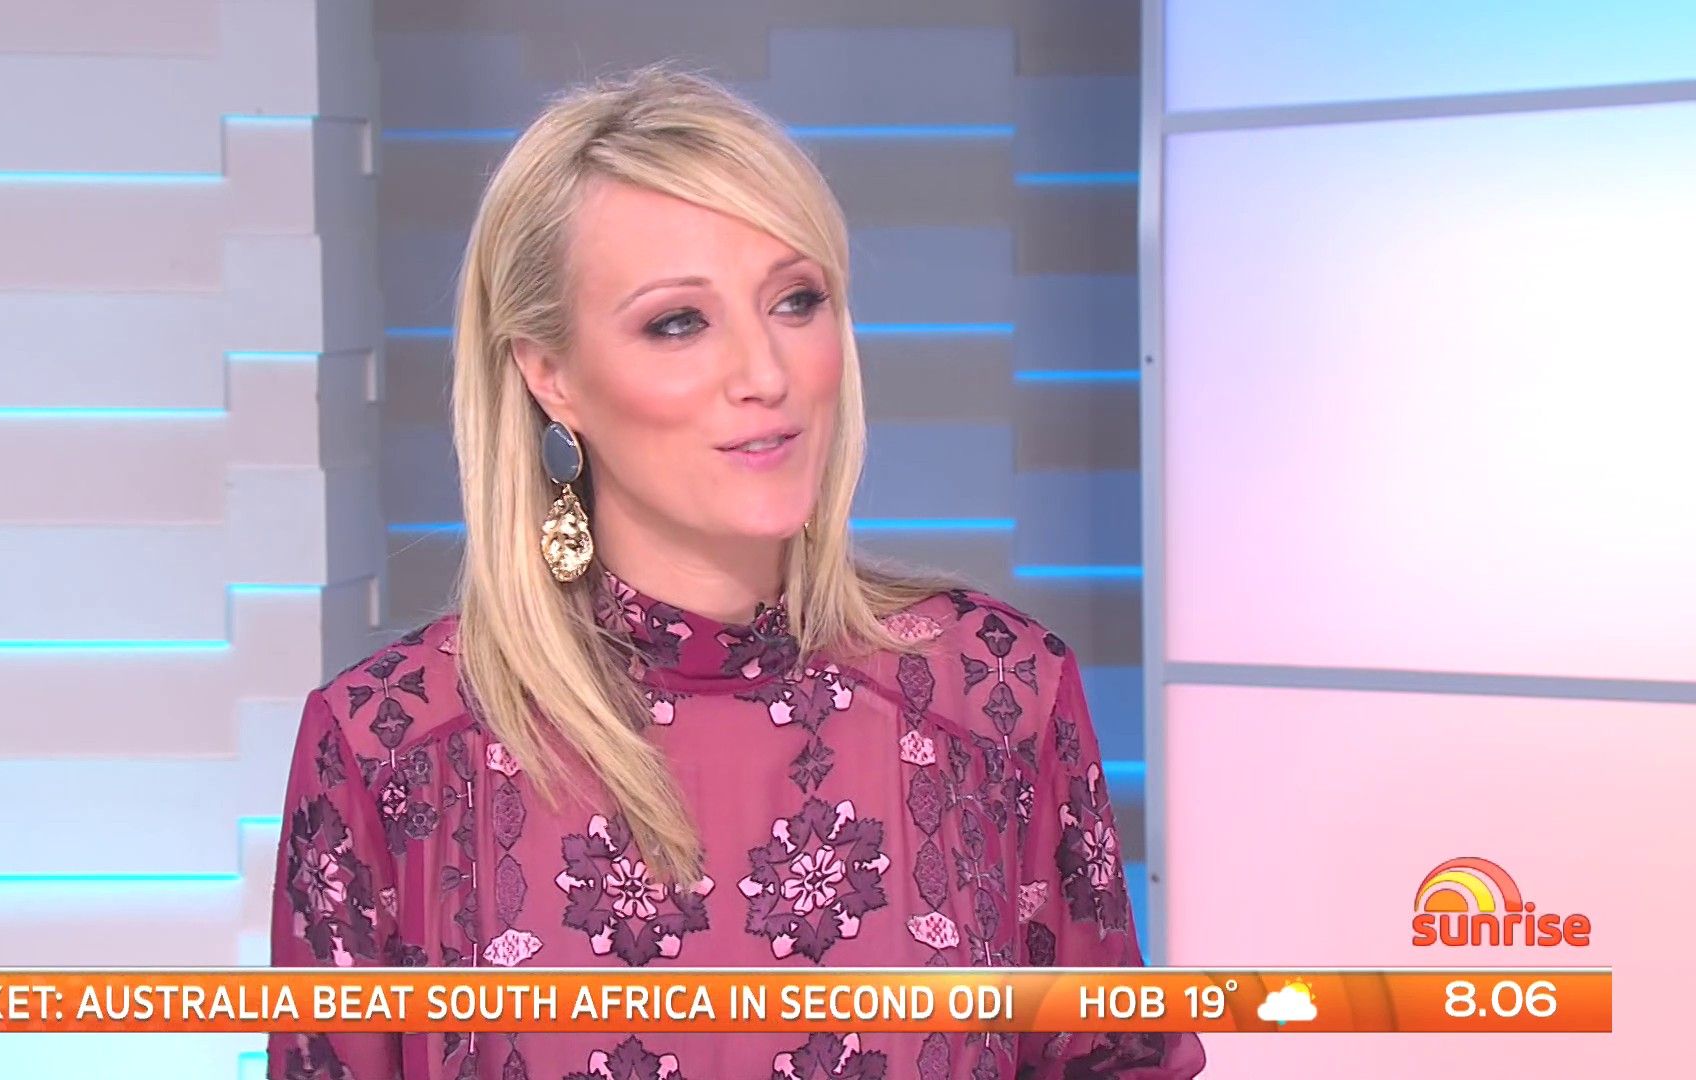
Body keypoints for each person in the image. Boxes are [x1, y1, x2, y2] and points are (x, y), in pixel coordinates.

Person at [268, 63, 1205, 1080]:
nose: (766, 374)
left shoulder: (999, 699)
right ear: (551, 375)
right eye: (679, 322)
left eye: (796, 301)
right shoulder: (387, 752)